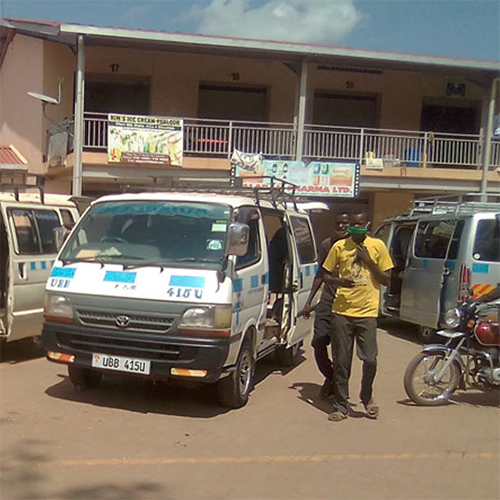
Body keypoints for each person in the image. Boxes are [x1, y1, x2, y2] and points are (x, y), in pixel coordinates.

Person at [322, 211, 394, 422]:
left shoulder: (377, 246)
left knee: (370, 359)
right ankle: (341, 405)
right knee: (342, 362)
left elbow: (386, 279)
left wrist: (369, 262)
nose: (355, 226)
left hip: (367, 313)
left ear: (367, 224)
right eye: (352, 224)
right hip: (342, 313)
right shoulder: (339, 247)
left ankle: (366, 396)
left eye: (360, 223)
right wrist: (338, 282)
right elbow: (325, 274)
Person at [303, 211, 350, 399]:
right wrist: (309, 301)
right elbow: (320, 274)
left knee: (341, 351)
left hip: (347, 306)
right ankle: (330, 377)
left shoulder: (358, 246)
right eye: (339, 223)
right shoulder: (326, 244)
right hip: (326, 303)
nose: (341, 226)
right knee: (318, 343)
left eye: (345, 223)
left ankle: (339, 391)